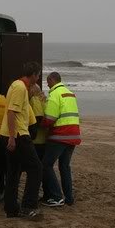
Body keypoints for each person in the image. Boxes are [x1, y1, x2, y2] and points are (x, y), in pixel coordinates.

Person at [0, 61, 43, 219]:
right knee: (36, 168)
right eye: (38, 75)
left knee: (14, 171)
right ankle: (28, 206)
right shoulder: (19, 88)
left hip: (10, 133)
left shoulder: (17, 86)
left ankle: (11, 209)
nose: (38, 79)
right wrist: (12, 137)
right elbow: (11, 112)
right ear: (33, 75)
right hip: (18, 135)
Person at [40, 72, 81, 207]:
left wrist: (39, 125)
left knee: (46, 165)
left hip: (59, 135)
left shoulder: (54, 94)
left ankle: (57, 196)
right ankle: (69, 198)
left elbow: (50, 119)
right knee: (64, 166)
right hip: (73, 135)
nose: (47, 84)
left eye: (48, 81)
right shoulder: (70, 94)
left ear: (53, 80)